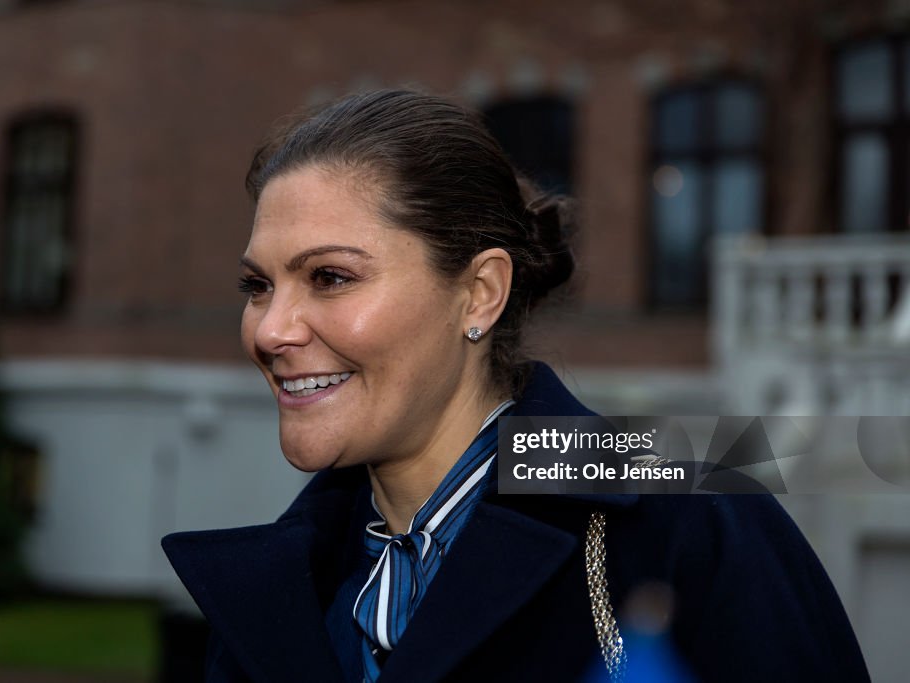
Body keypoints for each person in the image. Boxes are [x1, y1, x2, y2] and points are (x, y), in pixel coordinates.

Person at [162, 89, 869, 682]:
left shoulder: (687, 505)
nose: (270, 329)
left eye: (331, 277)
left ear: (479, 292)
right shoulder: (277, 587)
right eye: (258, 285)